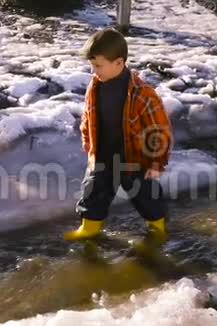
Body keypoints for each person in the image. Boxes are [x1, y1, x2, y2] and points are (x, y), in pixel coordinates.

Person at [64, 27, 173, 241]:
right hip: (103, 155)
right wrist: (87, 140)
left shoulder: (143, 94)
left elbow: (159, 131)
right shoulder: (95, 86)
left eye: (98, 66)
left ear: (119, 63)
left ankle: (157, 229)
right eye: (92, 66)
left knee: (146, 197)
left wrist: (156, 162)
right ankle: (89, 229)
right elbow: (88, 117)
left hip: (135, 159)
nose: (94, 71)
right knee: (93, 192)